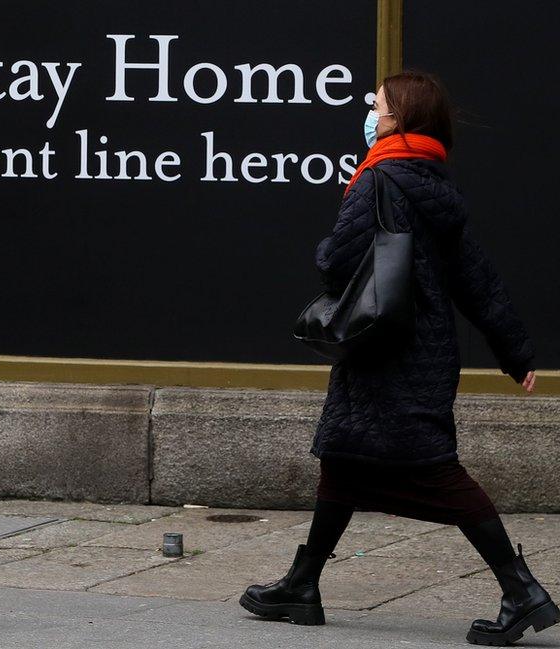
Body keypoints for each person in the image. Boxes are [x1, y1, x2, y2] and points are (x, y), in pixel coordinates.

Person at [239, 70, 559, 646]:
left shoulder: (378, 179)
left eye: (376, 105)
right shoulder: (432, 182)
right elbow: (476, 278)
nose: (369, 111)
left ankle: (521, 589)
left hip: (385, 351)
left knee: (435, 469)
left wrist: (326, 245)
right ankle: (302, 583)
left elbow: (337, 263)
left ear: (399, 120)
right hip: (423, 351)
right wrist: (515, 351)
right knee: (344, 457)